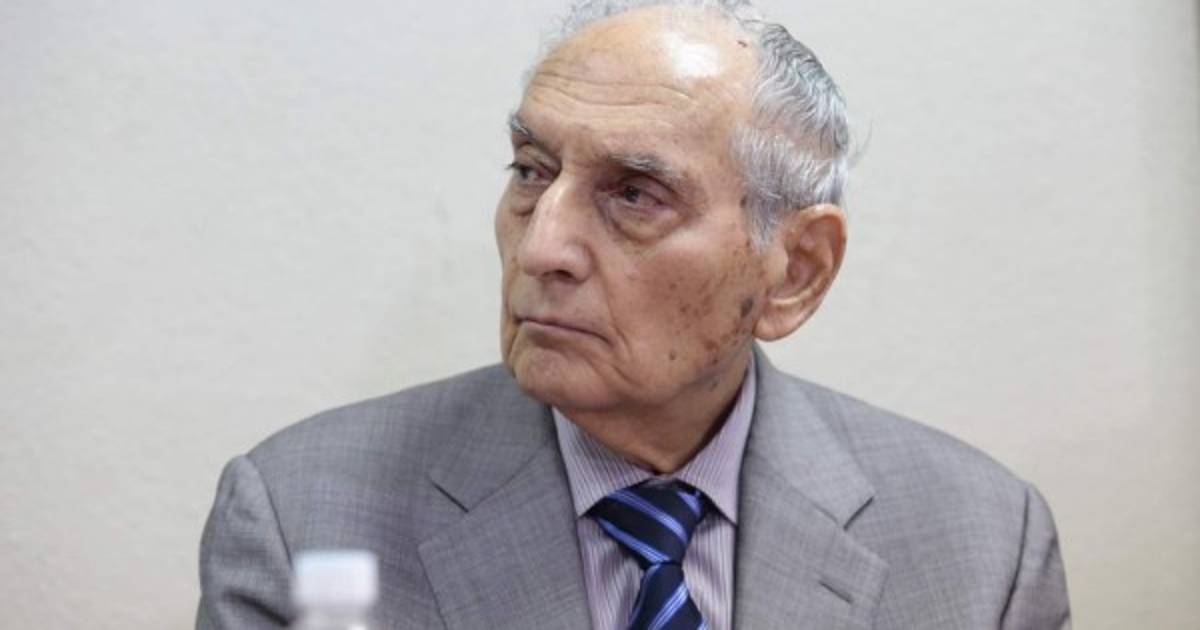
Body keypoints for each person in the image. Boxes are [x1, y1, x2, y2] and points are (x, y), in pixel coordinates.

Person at [196, 1, 1071, 628]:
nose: (542, 248)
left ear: (794, 271)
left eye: (635, 195)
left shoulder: (982, 547)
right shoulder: (301, 518)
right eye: (531, 171)